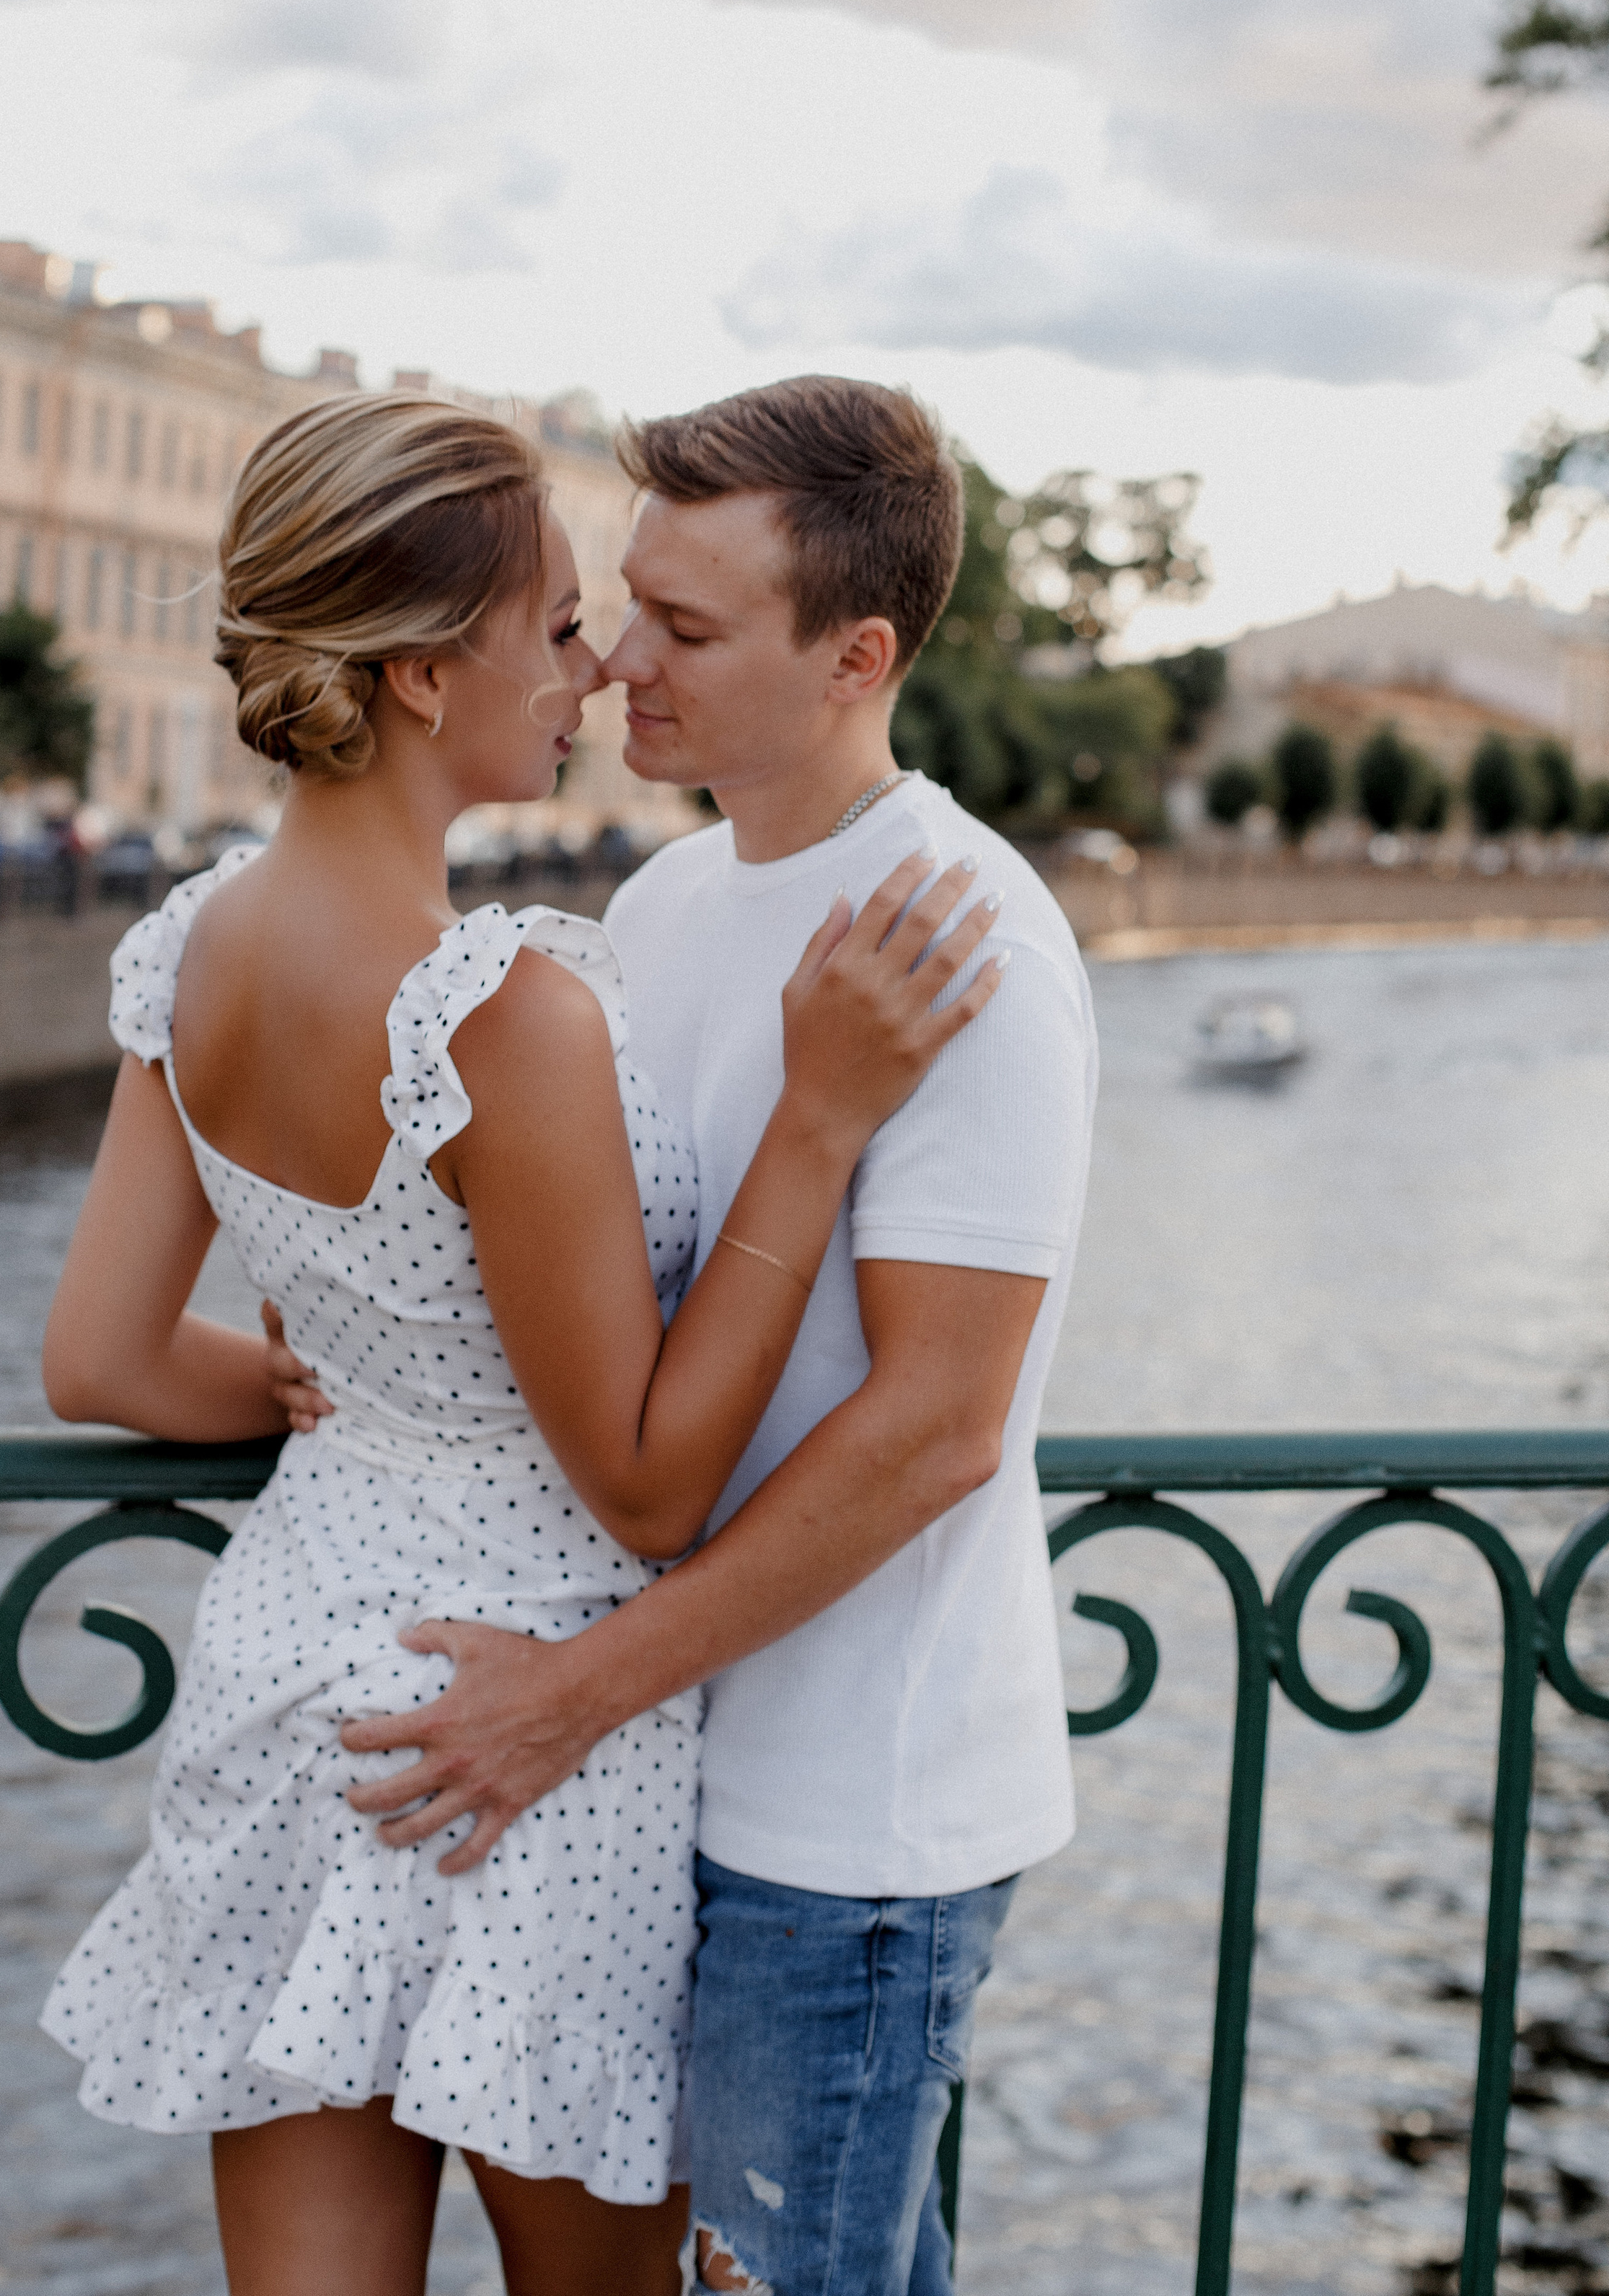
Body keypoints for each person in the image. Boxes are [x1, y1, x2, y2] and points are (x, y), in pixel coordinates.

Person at [35, 389, 1002, 2296]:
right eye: (555, 625)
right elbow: (641, 1478)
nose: (592, 668)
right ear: (416, 673)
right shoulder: (501, 1005)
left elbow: (102, 1362)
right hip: (522, 1740)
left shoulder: (204, 946)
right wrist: (816, 1125)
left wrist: (323, 1389)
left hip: (299, 1683)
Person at [309, 376, 1099, 2296]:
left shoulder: (957, 931)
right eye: (627, 602)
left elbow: (932, 1433)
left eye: (687, 626)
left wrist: (567, 1694)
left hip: (848, 1829)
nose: (617, 662)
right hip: (662, 1785)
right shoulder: (664, 902)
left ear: (858, 656)